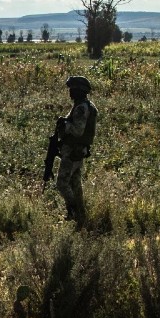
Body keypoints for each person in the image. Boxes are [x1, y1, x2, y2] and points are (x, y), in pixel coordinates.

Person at [53, 76, 98, 228]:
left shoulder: (81, 108)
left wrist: (64, 126)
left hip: (73, 152)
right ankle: (81, 218)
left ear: (80, 91)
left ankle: (73, 211)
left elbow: (78, 130)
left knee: (62, 183)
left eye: (72, 89)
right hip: (77, 151)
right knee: (75, 184)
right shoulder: (83, 105)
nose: (70, 92)